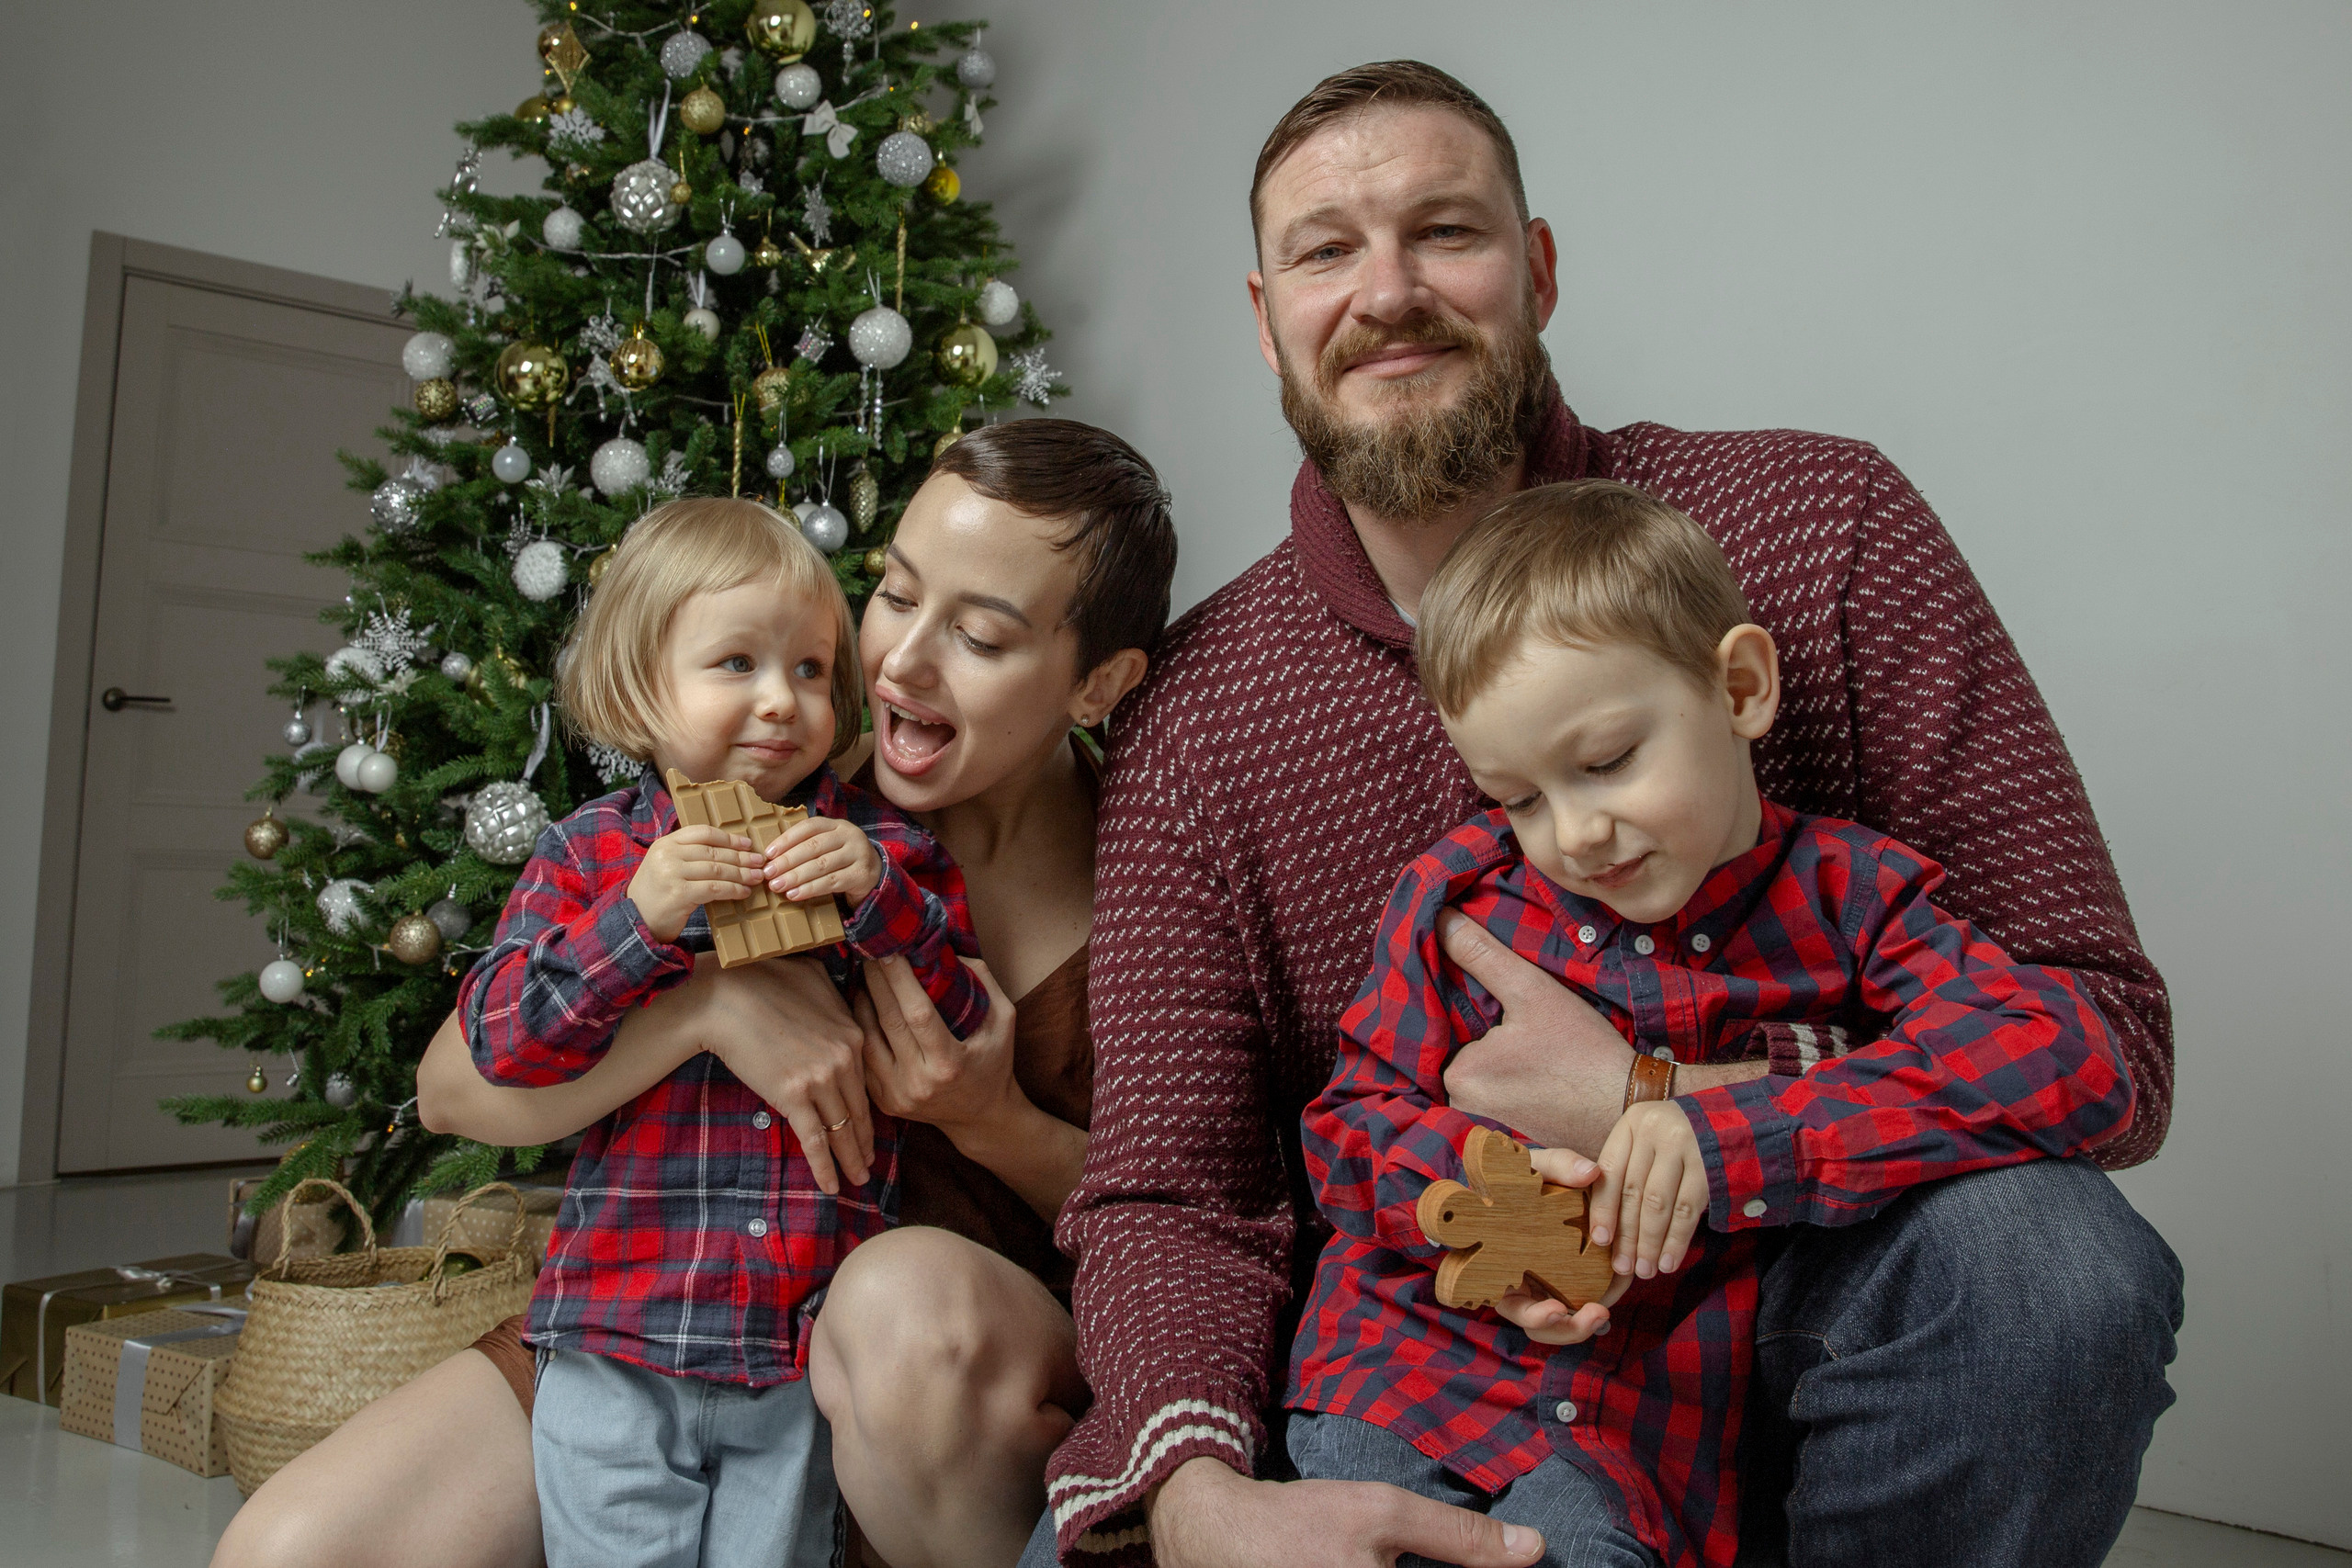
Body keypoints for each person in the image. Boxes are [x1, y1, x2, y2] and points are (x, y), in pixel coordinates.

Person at [1038, 60, 2181, 1568]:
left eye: (1445, 230)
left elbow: (2099, 1030)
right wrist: (1199, 1494)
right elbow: (1175, 1186)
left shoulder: (1817, 528)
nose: (1388, 291)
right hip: (1421, 1368)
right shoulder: (1198, 719)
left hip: (1780, 1339)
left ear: (1540, 270)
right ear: (1266, 319)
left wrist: (1677, 1110)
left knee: (2054, 1265)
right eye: (1326, 249)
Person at [208, 421, 1178, 1568]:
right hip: (665, 1309)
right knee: (287, 1551)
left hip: (936, 1368)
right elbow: (452, 1094)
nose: (900, 665)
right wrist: (704, 1014)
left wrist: (989, 1120)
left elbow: (1210, 1212)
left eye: (975, 634)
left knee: (898, 1312)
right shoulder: (769, 794)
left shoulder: (1160, 876)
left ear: (1098, 684)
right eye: (895, 596)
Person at [1286, 479, 2137, 1566]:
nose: (1575, 834)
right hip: (1419, 1388)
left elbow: (2064, 1054)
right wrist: (1497, 1205)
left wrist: (1736, 1131)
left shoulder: (1850, 895)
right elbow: (1350, 1129)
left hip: (1650, 1438)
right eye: (1519, 798)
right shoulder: (1460, 899)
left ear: (1738, 686)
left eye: (1604, 764)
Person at [456, 497, 991, 1568]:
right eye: (734, 663)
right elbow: (502, 1043)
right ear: (638, 690)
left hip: (794, 1352)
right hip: (619, 1342)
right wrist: (636, 924)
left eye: (807, 669)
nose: (780, 703)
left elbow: (964, 1024)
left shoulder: (881, 848)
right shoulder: (592, 857)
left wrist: (881, 898)